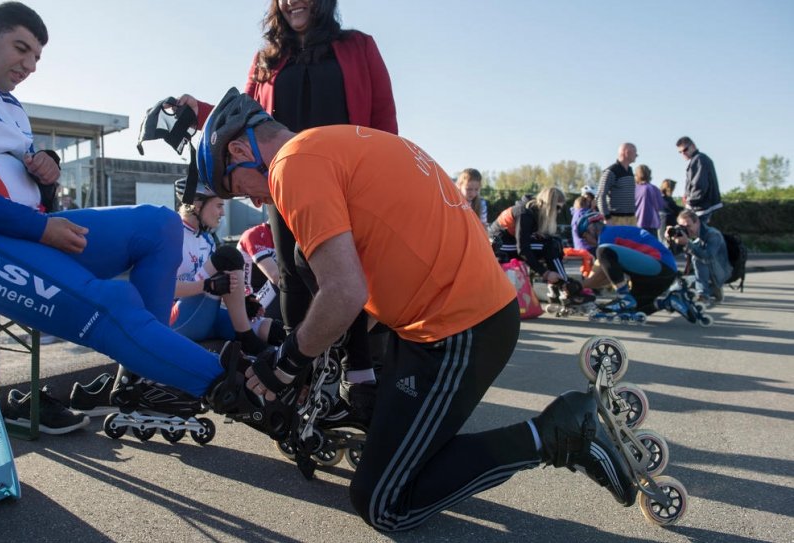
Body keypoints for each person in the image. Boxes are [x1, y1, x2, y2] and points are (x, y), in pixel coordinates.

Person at [193, 88, 639, 532]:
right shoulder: (337, 141)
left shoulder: (292, 168)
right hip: (447, 323)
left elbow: (344, 292)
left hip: (458, 330)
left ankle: (560, 435)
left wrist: (285, 365)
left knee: (383, 503)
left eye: (238, 188)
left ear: (239, 148)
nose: (254, 202)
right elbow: (369, 282)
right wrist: (359, 370)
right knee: (392, 454)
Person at [0, 2, 262, 434]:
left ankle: (146, 378)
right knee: (113, 303)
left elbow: (23, 190)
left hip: (21, 230)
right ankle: (239, 389)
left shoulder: (11, 105)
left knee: (160, 223)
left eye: (37, 57)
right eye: (21, 49)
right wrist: (41, 227)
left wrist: (45, 176)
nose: (29, 65)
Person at [182, 0, 395, 414]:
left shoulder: (357, 47)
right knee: (294, 274)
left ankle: (362, 371)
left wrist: (383, 179)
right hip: (284, 181)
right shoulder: (265, 61)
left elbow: (384, 122)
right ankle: (301, 374)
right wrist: (198, 113)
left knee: (347, 270)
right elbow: (241, 121)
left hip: (347, 178)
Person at [170, 179, 282, 354]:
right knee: (228, 257)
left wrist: (243, 303)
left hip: (204, 316)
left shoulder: (206, 240)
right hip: (176, 320)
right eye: (219, 206)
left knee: (273, 330)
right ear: (197, 205)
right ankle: (247, 340)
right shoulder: (171, 235)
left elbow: (215, 289)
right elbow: (161, 289)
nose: (223, 213)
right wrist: (206, 286)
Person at [575, 211, 678, 315]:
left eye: (584, 237)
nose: (586, 242)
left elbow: (602, 276)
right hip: (662, 272)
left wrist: (577, 287)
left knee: (602, 251)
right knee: (632, 310)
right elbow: (607, 276)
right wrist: (582, 286)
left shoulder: (607, 235)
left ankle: (624, 296)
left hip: (659, 265)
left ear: (592, 229)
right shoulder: (613, 234)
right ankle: (668, 303)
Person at [489, 187, 578, 302]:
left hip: (511, 241)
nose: (559, 212)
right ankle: (564, 285)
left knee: (555, 242)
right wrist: (545, 272)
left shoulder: (535, 211)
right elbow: (523, 249)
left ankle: (558, 284)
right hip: (499, 246)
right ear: (549, 205)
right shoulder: (524, 214)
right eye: (557, 208)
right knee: (549, 246)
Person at [665, 209, 732, 303]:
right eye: (682, 227)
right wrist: (670, 240)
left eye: (688, 226)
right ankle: (713, 290)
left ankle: (703, 294)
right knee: (675, 290)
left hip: (719, 272)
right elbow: (673, 253)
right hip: (699, 274)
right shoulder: (687, 234)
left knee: (697, 259)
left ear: (697, 222)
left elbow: (707, 257)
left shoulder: (713, 235)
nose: (686, 229)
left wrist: (688, 243)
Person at [236, 221, 282, 321]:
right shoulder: (253, 234)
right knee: (285, 281)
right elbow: (275, 277)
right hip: (251, 301)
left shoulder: (289, 238)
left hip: (270, 296)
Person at [676, 136, 722, 224]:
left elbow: (700, 185)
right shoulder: (698, 159)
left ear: (693, 146)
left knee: (701, 235)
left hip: (703, 209)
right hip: (703, 208)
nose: (683, 153)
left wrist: (690, 202)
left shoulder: (699, 160)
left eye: (685, 150)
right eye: (680, 152)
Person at [596, 143, 638, 226]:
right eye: (634, 152)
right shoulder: (611, 172)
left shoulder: (630, 171)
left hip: (631, 218)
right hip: (615, 219)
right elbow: (600, 196)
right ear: (627, 152)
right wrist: (606, 217)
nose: (636, 155)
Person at [634, 164, 664, 237]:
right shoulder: (654, 189)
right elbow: (660, 206)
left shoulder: (633, 189)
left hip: (636, 223)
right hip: (651, 224)